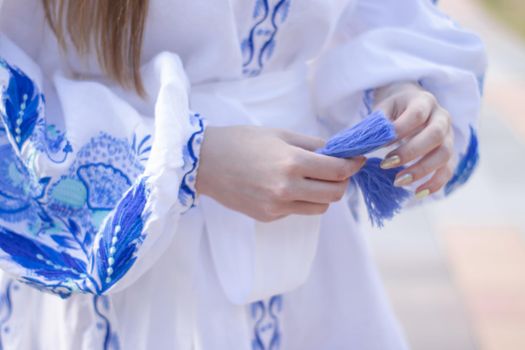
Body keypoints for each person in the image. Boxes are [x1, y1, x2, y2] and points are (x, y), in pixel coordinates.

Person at [0, 0, 486, 349]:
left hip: (306, 249)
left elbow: (375, 14)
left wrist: (395, 88)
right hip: (130, 263)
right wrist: (195, 158)